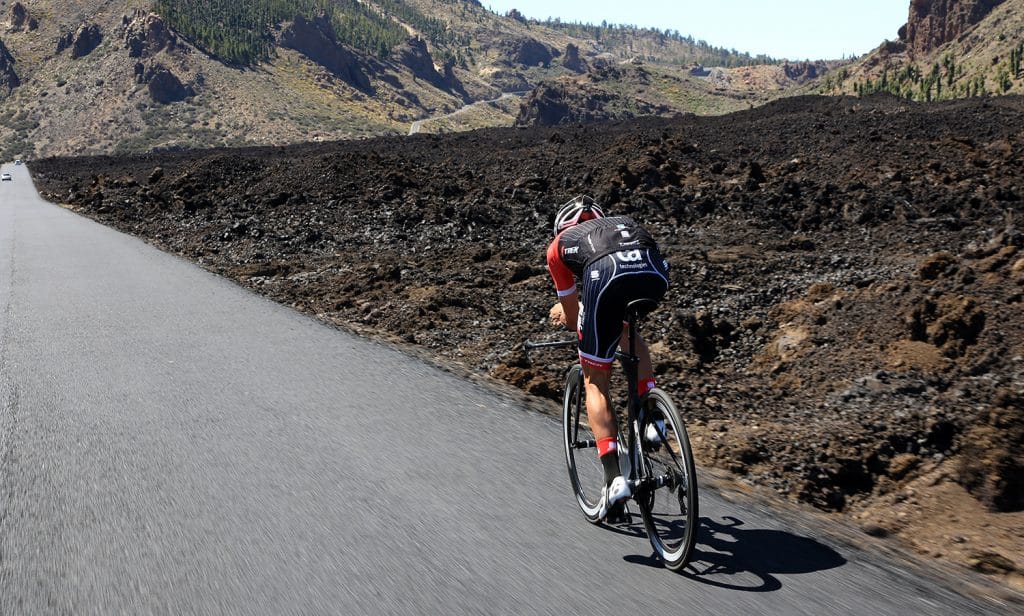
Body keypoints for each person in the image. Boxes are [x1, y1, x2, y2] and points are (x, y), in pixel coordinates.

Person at [545, 195, 670, 520]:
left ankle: (614, 478)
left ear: (563, 229)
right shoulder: (620, 222)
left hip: (605, 273)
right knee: (629, 333)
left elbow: (574, 318)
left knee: (594, 379)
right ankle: (654, 421)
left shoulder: (559, 246)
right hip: (653, 269)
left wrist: (568, 313)